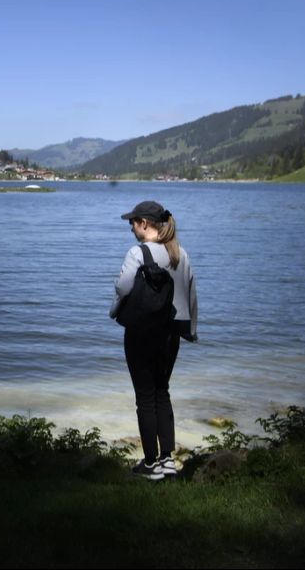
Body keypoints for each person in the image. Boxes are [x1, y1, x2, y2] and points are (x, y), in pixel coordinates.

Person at [111, 200, 197, 480]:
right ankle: (168, 461)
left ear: (145, 224)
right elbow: (190, 293)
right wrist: (191, 330)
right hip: (171, 334)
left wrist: (115, 303)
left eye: (132, 223)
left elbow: (123, 287)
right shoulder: (180, 253)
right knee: (162, 392)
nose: (131, 228)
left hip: (142, 332)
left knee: (145, 398)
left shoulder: (138, 252)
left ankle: (150, 464)